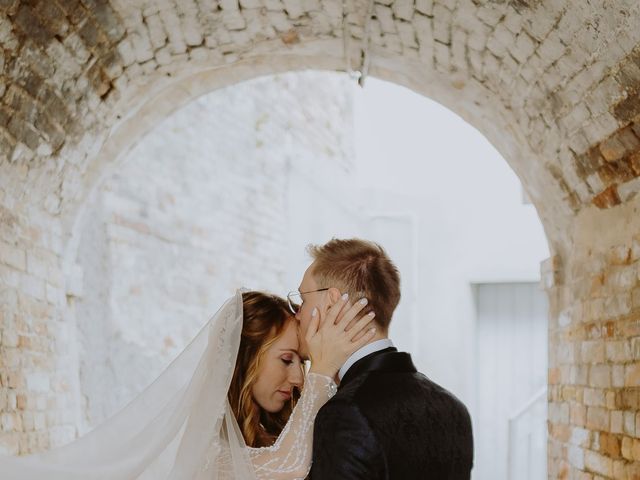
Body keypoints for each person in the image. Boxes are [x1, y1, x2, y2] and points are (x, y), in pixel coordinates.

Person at [0, 289, 376, 479]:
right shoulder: (212, 451)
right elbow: (287, 468)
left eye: (304, 363)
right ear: (245, 357)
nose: (298, 379)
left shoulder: (283, 433)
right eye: (287, 359)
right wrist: (323, 375)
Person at [291, 238, 474, 479]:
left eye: (303, 300)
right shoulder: (454, 408)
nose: (297, 315)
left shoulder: (344, 412)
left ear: (331, 303)